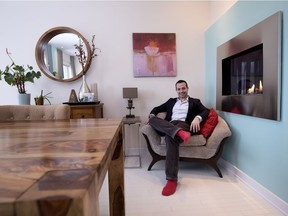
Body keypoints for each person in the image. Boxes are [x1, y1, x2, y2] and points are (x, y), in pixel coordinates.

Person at [148, 80, 210, 196]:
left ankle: (171, 180)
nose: (181, 91)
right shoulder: (171, 101)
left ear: (187, 88)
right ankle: (178, 132)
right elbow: (156, 108)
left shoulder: (195, 102)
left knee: (170, 138)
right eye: (179, 89)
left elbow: (206, 111)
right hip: (170, 125)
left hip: (183, 125)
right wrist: (152, 115)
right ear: (176, 90)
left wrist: (197, 118)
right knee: (151, 120)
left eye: (183, 88)